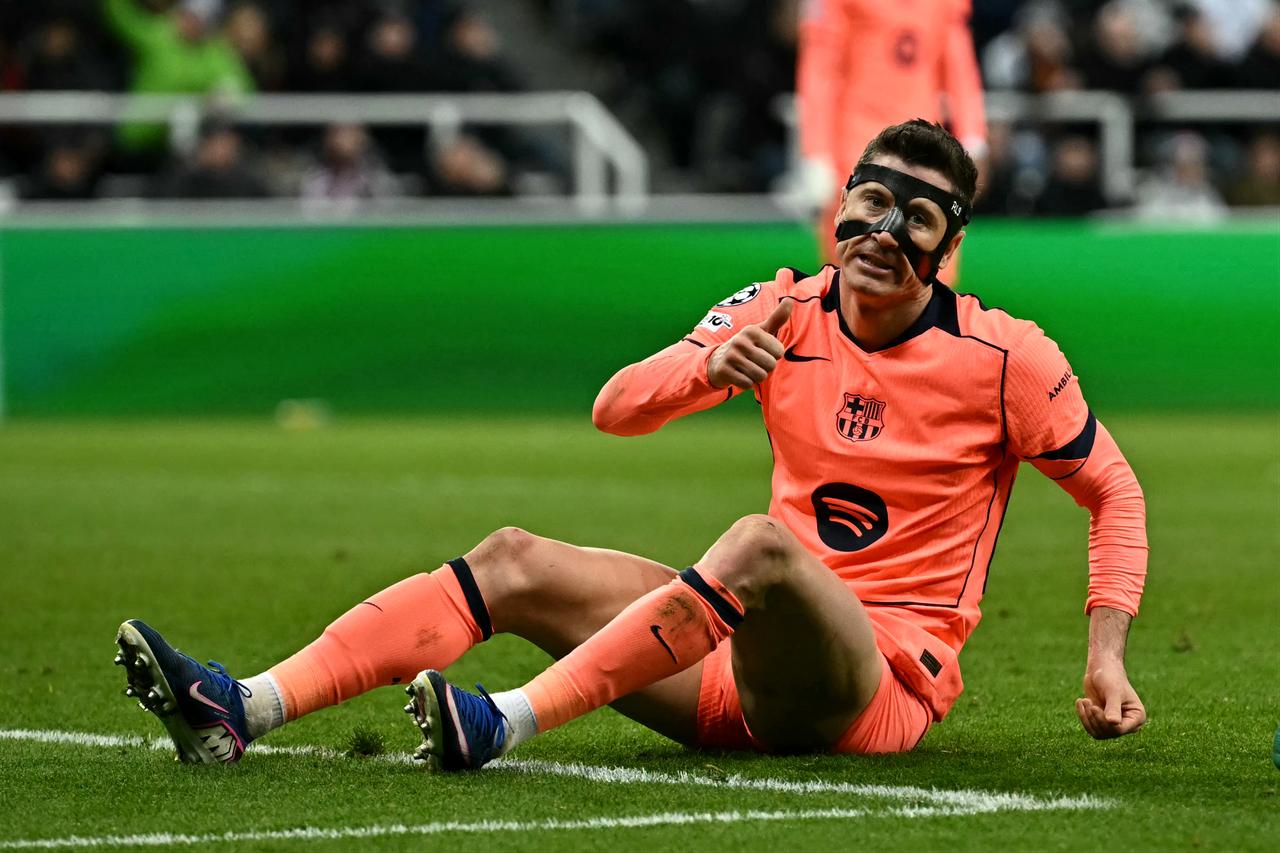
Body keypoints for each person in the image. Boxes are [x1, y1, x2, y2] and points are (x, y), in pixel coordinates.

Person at [115, 120, 1148, 769]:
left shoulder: (1004, 357)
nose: (882, 232)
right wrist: (709, 367)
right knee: (512, 558)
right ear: (838, 205)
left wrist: (1104, 657)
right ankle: (241, 707)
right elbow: (615, 407)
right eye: (871, 201)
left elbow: (1112, 489)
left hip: (874, 686)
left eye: (915, 218)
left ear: (948, 246)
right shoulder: (779, 308)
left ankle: (502, 721)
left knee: (761, 543)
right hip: (732, 663)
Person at [795, 0, 987, 264]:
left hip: (925, 144)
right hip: (858, 145)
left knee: (929, 264)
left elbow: (959, 67)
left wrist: (973, 137)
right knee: (855, 261)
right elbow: (821, 68)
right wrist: (817, 153)